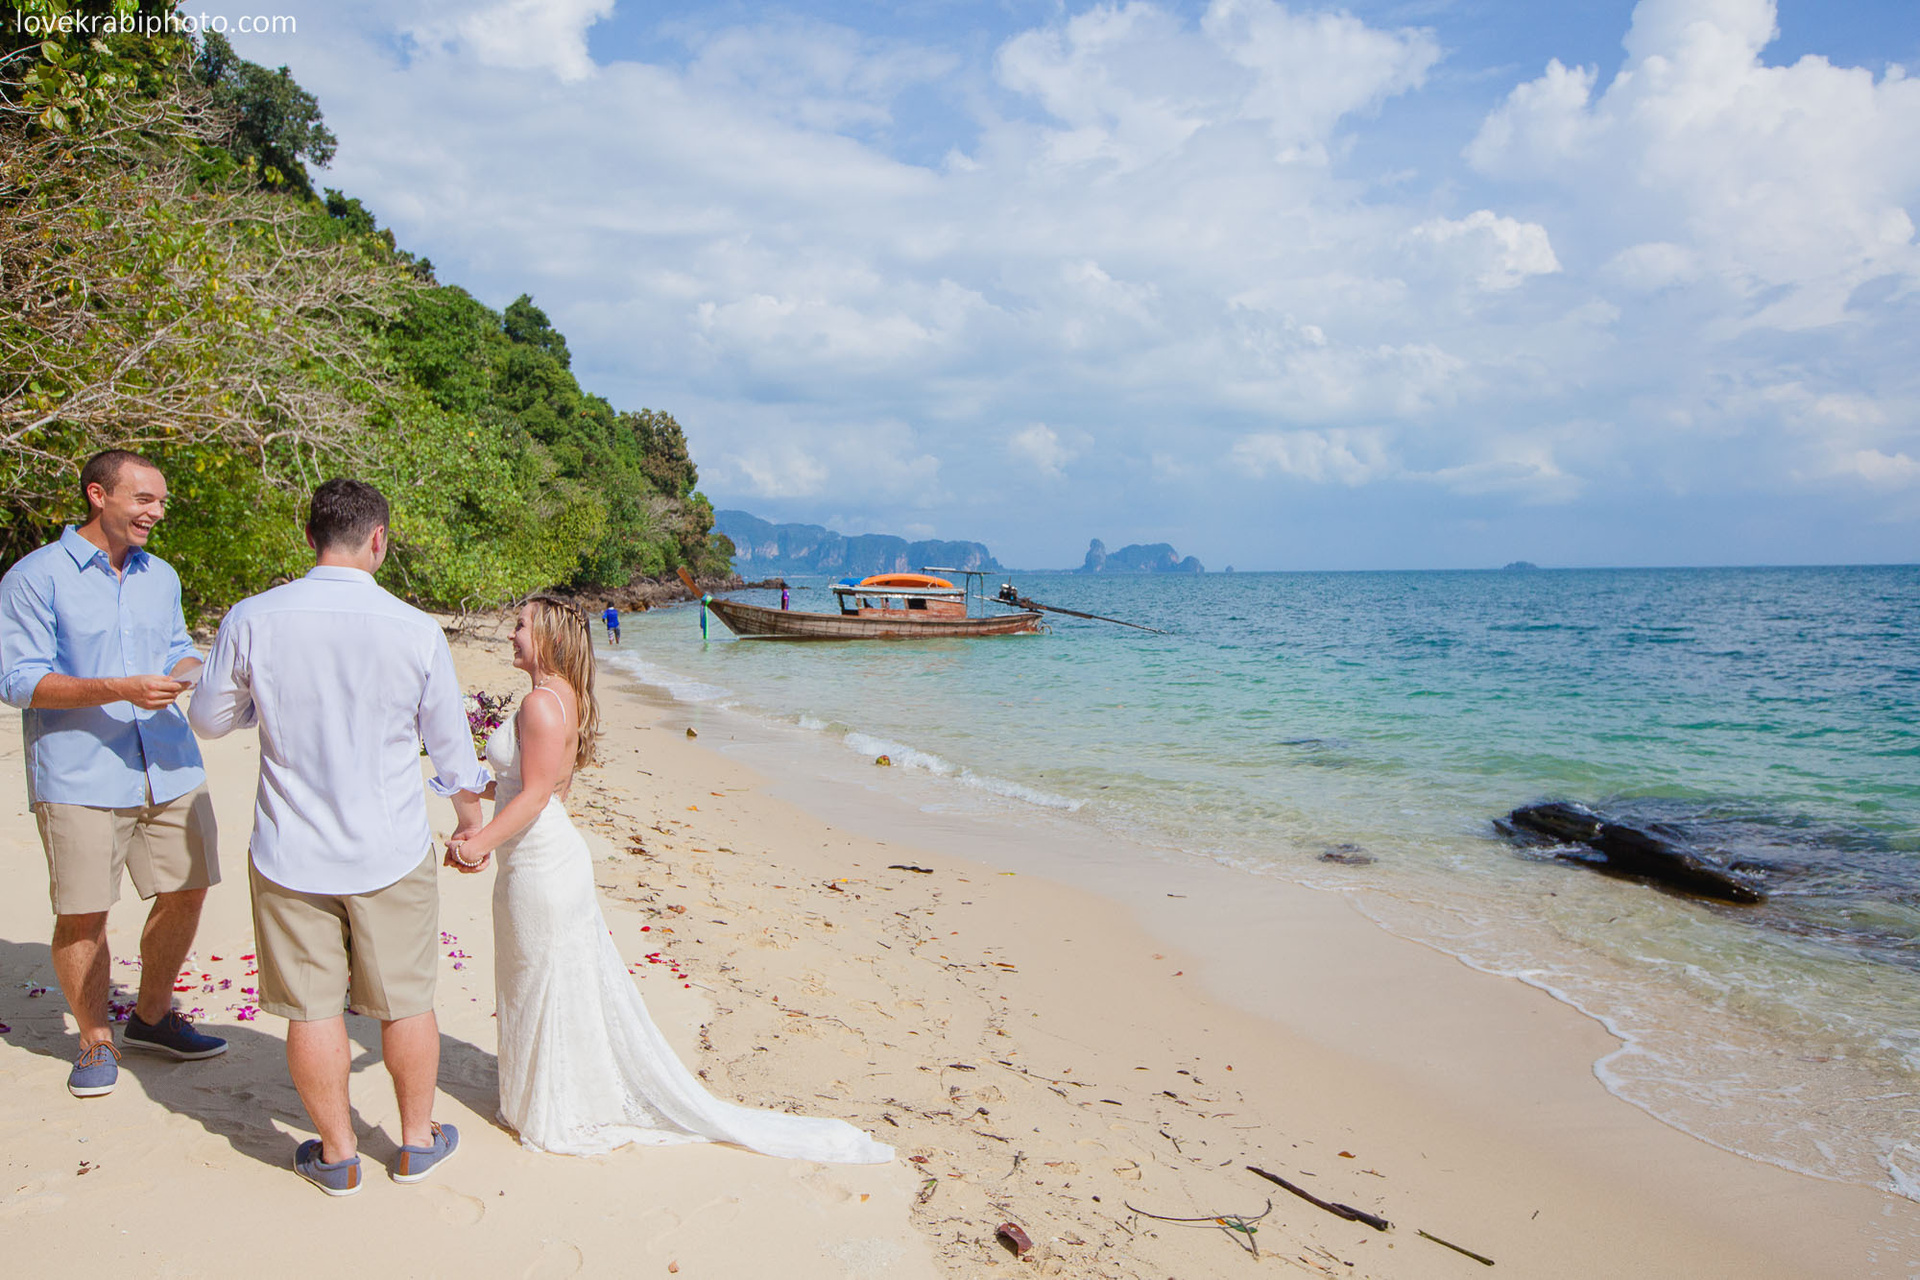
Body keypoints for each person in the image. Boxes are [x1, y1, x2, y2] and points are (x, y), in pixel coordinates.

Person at [445, 596, 891, 1163]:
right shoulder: (563, 697)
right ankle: (545, 1094)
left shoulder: (540, 703)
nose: (512, 634)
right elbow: (537, 786)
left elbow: (535, 796)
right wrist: (476, 787)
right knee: (539, 979)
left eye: (521, 625)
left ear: (550, 637)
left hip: (540, 865)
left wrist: (477, 843)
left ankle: (549, 1104)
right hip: (544, 857)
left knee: (539, 978)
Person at [189, 479, 490, 1197]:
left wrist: (259, 708)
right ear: (378, 539)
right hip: (391, 847)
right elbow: (451, 749)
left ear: (310, 537)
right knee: (407, 1000)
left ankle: (338, 1155)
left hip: (291, 848)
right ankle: (415, 1142)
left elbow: (208, 719)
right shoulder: (414, 628)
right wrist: (470, 823)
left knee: (312, 1007)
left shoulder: (253, 617)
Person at [0, 449, 226, 1099]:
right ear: (98, 495)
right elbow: (17, 681)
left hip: (170, 765)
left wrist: (196, 671)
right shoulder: (33, 577)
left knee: (188, 888)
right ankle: (95, 1039)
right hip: (81, 774)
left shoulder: (162, 575)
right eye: (145, 499)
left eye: (162, 502)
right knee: (83, 911)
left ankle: (151, 1017)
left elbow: (178, 647)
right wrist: (119, 688)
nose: (157, 512)